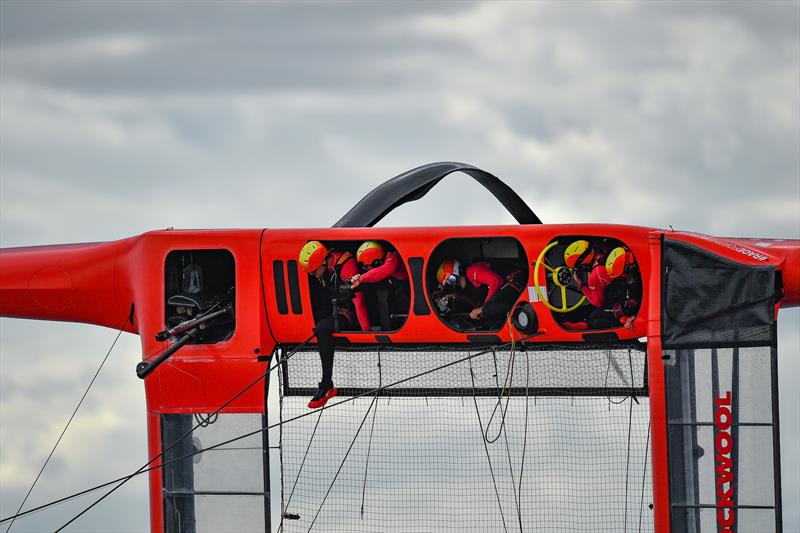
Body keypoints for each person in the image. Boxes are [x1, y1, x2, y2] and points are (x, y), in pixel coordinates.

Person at [298, 240, 370, 408]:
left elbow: (359, 300)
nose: (313, 275)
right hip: (334, 311)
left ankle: (326, 385)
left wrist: (366, 332)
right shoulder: (325, 269)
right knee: (319, 322)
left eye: (314, 271)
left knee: (322, 328)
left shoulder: (345, 265)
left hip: (349, 314)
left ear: (322, 262)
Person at [562, 241, 640, 330]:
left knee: (594, 317)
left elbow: (598, 303)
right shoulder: (608, 252)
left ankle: (586, 324)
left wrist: (581, 285)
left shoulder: (595, 276)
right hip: (626, 293)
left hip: (623, 302)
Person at [436, 259, 524, 327]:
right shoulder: (467, 289)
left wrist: (482, 309)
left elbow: (496, 281)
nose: (452, 284)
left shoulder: (471, 271)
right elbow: (475, 305)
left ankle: (521, 313)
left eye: (451, 280)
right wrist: (457, 297)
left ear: (458, 271)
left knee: (487, 310)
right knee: (485, 320)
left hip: (515, 281)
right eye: (449, 283)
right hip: (508, 290)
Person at [349, 241, 410, 328]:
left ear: (377, 262)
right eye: (365, 267)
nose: (367, 269)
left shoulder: (394, 258)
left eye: (369, 266)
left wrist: (361, 278)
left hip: (408, 288)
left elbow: (383, 270)